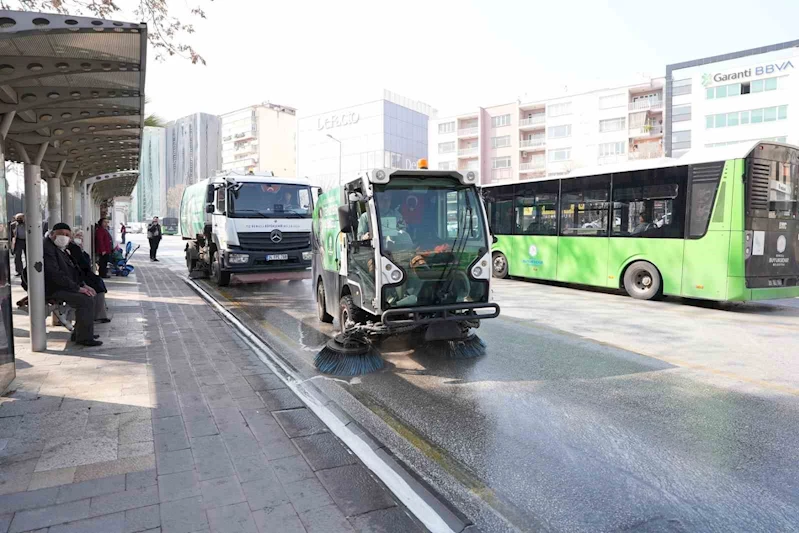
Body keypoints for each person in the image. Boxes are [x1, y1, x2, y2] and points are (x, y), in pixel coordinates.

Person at [44, 223, 101, 346]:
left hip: (64, 285)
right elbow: (55, 274)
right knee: (85, 300)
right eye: (61, 234)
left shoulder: (61, 248)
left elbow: (73, 270)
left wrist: (83, 285)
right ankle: (84, 338)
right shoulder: (47, 248)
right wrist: (77, 288)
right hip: (53, 288)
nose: (64, 237)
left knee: (91, 293)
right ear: (53, 234)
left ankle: (81, 332)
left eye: (67, 235)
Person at [68, 231, 110, 323]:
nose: (80, 238)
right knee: (97, 287)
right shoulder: (73, 248)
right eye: (78, 236)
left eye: (81, 236)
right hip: (79, 276)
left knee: (98, 284)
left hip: (83, 275)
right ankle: (97, 316)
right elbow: (83, 265)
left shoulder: (78, 248)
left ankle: (98, 315)